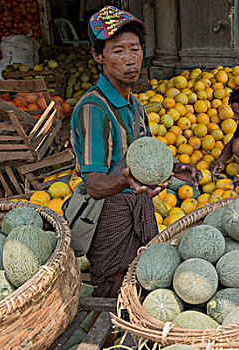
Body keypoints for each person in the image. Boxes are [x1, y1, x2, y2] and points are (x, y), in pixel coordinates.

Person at [69, 6, 199, 301]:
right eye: (117, 51)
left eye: (135, 49)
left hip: (138, 203)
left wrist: (175, 168)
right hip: (106, 213)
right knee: (113, 283)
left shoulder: (137, 106)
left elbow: (145, 158)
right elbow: (94, 185)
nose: (130, 59)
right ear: (98, 55)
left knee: (144, 274)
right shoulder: (94, 109)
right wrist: (127, 181)